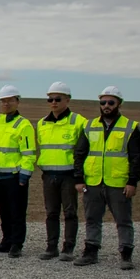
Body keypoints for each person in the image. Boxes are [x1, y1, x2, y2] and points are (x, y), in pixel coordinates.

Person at [72, 87, 140, 270]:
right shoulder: (89, 126)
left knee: (123, 220)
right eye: (103, 102)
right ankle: (91, 251)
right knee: (92, 218)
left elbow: (137, 158)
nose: (106, 106)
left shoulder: (130, 127)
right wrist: (79, 179)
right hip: (93, 181)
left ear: (119, 104)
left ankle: (126, 254)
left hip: (118, 183)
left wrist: (132, 182)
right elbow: (79, 154)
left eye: (110, 102)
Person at [36, 82, 86, 261]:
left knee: (70, 212)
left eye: (58, 99)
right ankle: (51, 247)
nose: (53, 102)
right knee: (51, 212)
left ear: (68, 99)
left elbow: (83, 150)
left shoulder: (79, 121)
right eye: (50, 99)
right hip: (49, 175)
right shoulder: (42, 123)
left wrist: (80, 176)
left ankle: (68, 248)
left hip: (69, 175)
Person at [0, 85, 37, 258]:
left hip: (15, 177)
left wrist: (24, 174)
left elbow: (29, 153)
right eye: (3, 101)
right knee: (4, 212)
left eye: (9, 100)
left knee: (17, 212)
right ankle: (6, 241)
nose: (6, 103)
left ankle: (17, 244)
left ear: (17, 101)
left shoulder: (24, 125)